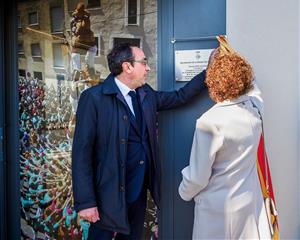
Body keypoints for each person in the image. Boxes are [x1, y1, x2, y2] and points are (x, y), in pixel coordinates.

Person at [72, 43, 207, 240]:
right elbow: (81, 154)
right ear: (127, 67)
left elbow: (180, 97)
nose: (148, 68)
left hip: (138, 192)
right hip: (107, 196)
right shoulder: (94, 98)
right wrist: (86, 202)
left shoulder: (145, 94)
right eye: (144, 63)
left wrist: (207, 73)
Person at [178, 47, 267, 239]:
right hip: (247, 203)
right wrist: (232, 57)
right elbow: (254, 89)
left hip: (217, 210)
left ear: (213, 82)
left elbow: (197, 178)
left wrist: (183, 192)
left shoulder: (209, 122)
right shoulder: (254, 110)